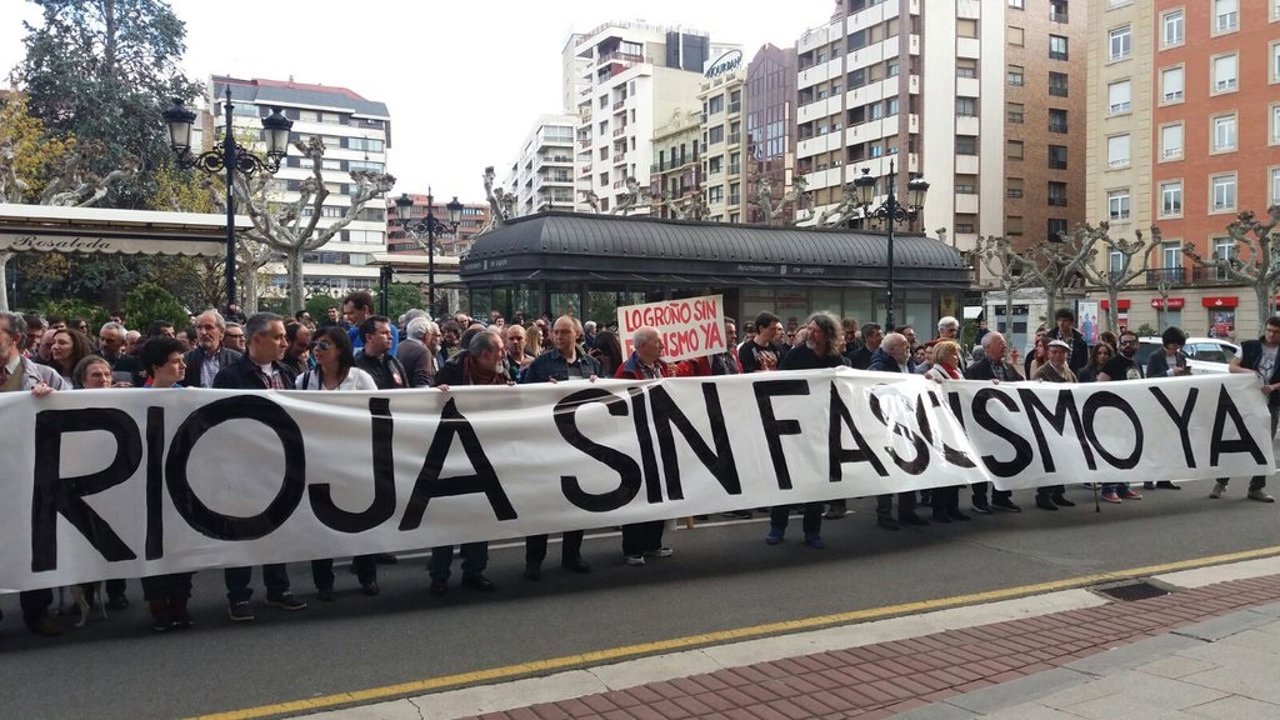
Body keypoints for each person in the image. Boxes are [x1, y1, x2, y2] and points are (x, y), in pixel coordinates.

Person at [213, 313, 308, 620]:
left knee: (277, 526)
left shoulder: (290, 372)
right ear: (257, 339)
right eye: (279, 337)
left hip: (279, 463)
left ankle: (278, 588)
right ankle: (238, 595)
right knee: (240, 529)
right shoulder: (229, 377)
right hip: (242, 465)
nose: (285, 343)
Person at [295, 327, 382, 598]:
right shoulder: (304, 380)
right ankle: (324, 583)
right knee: (320, 524)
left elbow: (379, 411)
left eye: (324, 345)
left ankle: (367, 576)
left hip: (355, 461)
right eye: (315, 346)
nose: (317, 351)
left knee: (360, 521)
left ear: (340, 349)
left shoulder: (361, 379)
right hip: (319, 461)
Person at [519, 316, 601, 580]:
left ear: (577, 334)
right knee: (542, 504)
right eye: (555, 332)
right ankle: (534, 560)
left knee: (577, 503)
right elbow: (525, 398)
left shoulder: (592, 364)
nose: (558, 336)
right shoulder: (541, 365)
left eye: (564, 332)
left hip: (581, 444)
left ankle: (572, 554)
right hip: (549, 443)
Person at [428, 331, 508, 595]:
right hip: (449, 456)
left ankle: (474, 571)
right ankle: (438, 575)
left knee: (479, 515)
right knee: (446, 517)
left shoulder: (502, 374)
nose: (503, 355)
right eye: (498, 351)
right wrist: (433, 395)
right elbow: (427, 408)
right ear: (484, 354)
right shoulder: (451, 372)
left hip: (482, 454)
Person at [0, 311, 64, 636]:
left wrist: (53, 400)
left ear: (15, 339)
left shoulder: (45, 376)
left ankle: (37, 611)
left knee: (33, 541)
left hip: (31, 474)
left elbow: (77, 412)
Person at [134, 336, 199, 631]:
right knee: (153, 545)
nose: (183, 366)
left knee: (183, 543)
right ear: (155, 367)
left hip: (184, 484)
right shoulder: (131, 400)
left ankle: (180, 603)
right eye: (175, 361)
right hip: (145, 487)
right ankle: (158, 605)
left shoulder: (191, 396)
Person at [766, 313, 847, 548]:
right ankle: (777, 527)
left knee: (816, 481)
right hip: (792, 426)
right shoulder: (796, 354)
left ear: (827, 334)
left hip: (820, 427)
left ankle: (812, 531)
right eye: (810, 329)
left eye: (817, 330)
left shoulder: (835, 359)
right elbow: (779, 383)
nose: (811, 333)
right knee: (786, 479)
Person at [614, 326, 676, 565]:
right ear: (642, 346)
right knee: (638, 494)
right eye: (658, 341)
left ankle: (653, 543)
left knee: (658, 492)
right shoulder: (626, 372)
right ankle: (632, 548)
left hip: (660, 436)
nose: (662, 345)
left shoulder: (661, 368)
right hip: (637, 439)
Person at [1213, 316, 1280, 503]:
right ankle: (1221, 482)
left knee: (1264, 444)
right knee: (1235, 438)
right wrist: (1248, 372)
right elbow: (1232, 366)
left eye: (1276, 332)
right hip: (1246, 400)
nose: (1271, 335)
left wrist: (1273, 387)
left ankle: (1257, 487)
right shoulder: (1250, 346)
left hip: (1271, 402)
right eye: (1269, 330)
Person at [867, 332, 928, 529]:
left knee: (909, 467)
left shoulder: (909, 365)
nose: (909, 346)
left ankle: (907, 511)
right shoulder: (878, 368)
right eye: (904, 344)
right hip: (887, 425)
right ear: (892, 350)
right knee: (888, 469)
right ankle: (883, 514)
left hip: (908, 423)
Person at [964, 332, 1024, 513]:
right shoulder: (974, 371)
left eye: (1004, 343)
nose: (1004, 346)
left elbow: (1021, 386)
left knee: (1005, 462)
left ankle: (1002, 498)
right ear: (987, 348)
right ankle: (979, 500)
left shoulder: (1008, 368)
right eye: (1000, 343)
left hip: (1006, 425)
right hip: (983, 425)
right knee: (984, 462)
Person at [923, 340, 971, 523]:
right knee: (943, 468)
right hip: (941, 426)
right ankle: (939, 508)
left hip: (957, 425)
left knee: (956, 468)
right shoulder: (933, 373)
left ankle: (953, 506)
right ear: (943, 355)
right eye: (953, 354)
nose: (956, 358)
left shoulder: (957, 373)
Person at [1095, 330, 1145, 503]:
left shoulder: (1136, 363)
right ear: (1119, 345)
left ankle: (1124, 487)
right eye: (1124, 342)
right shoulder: (1113, 363)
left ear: (1137, 345)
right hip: (1114, 415)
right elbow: (1100, 385)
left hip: (1131, 415)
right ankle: (1108, 488)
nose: (1128, 345)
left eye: (1131, 342)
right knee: (1113, 452)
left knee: (1127, 451)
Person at [1032, 340, 1079, 511]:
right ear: (1048, 353)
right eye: (1054, 352)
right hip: (1048, 422)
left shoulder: (1068, 372)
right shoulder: (1041, 373)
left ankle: (1059, 493)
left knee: (1063, 459)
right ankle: (1044, 495)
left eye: (1061, 352)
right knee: (1049, 461)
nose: (1057, 356)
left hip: (1066, 421)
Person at [184, 310, 242, 389]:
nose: (203, 332)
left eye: (209, 328)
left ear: (222, 332)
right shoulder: (185, 360)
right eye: (199, 328)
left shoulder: (236, 359)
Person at [353, 316, 407, 390]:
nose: (391, 337)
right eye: (384, 333)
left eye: (390, 333)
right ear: (369, 337)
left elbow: (406, 391)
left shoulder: (394, 363)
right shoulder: (355, 367)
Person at [343, 290, 398, 356]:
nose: (347, 318)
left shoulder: (388, 330)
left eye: (351, 313)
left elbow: (387, 360)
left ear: (365, 309)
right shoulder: (353, 332)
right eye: (346, 314)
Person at [397, 316, 437, 387]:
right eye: (431, 333)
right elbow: (422, 383)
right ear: (426, 335)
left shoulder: (399, 346)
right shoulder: (423, 351)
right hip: (418, 395)